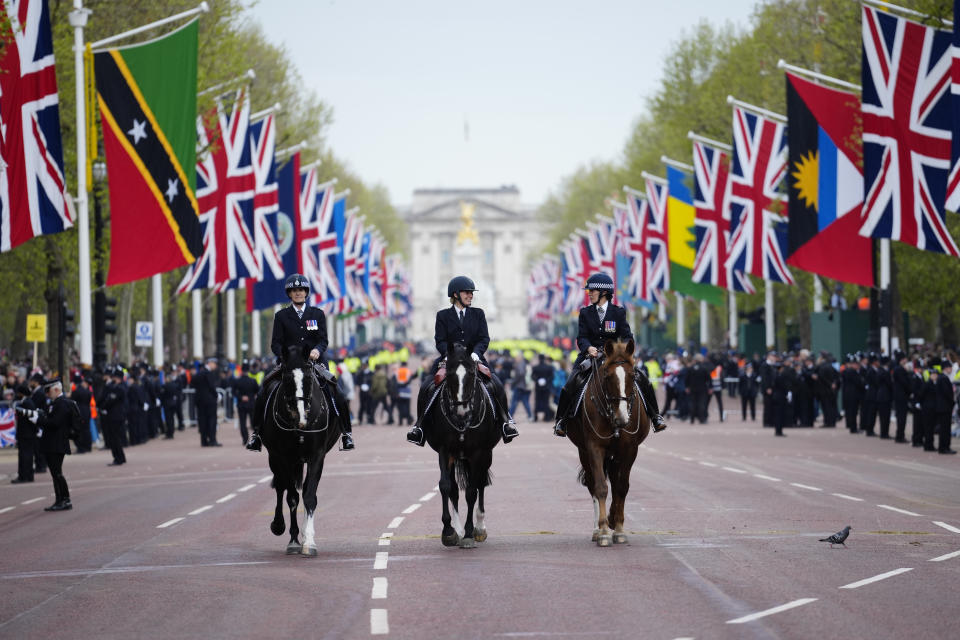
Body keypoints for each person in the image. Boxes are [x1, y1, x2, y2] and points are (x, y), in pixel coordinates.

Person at [407, 275, 519, 446]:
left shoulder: (478, 313)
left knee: (496, 384)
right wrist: (447, 354)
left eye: (471, 293)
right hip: (449, 359)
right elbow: (440, 340)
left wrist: (476, 353)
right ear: (456, 294)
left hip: (474, 358)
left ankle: (506, 422)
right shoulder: (443, 315)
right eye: (467, 292)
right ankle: (420, 427)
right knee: (427, 387)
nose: (470, 295)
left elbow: (484, 338)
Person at [247, 274, 354, 451]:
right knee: (262, 391)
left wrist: (317, 350)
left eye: (301, 290)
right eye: (294, 290)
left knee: (338, 393)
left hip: (314, 363)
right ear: (289, 294)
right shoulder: (281, 316)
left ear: (306, 292)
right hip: (288, 363)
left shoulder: (317, 314)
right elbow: (276, 342)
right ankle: (256, 434)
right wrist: (284, 355)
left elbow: (323, 339)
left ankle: (346, 434)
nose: (298, 293)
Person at [553, 273, 665, 437]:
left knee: (643, 379)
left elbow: (627, 335)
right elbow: (581, 337)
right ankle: (561, 420)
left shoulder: (618, 312)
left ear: (604, 292)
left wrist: (621, 349)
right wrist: (589, 348)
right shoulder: (584, 313)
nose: (589, 293)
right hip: (589, 356)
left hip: (614, 356)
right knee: (570, 384)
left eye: (592, 290)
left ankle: (656, 416)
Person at [29, 378, 75, 511]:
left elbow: (55, 423)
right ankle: (60, 499)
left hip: (57, 443)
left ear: (56, 389)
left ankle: (65, 499)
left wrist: (39, 420)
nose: (47, 394)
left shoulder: (62, 404)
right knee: (55, 473)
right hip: (53, 442)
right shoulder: (56, 403)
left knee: (57, 473)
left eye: (48, 391)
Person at [99, 367, 128, 465]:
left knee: (114, 438)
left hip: (116, 416)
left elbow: (110, 400)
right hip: (115, 415)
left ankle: (118, 458)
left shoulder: (119, 388)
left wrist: (103, 407)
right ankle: (121, 457)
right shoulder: (116, 387)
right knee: (115, 437)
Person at [11, 384, 38, 483]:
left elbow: (31, 419)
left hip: (26, 434)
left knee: (25, 456)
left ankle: (24, 476)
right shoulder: (26, 402)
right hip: (27, 434)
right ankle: (27, 475)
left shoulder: (27, 403)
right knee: (27, 455)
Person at [234, 361, 259, 446]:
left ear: (241, 370)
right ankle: (255, 438)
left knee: (242, 423)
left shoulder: (237, 381)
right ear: (248, 370)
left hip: (241, 404)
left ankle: (245, 439)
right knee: (253, 422)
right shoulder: (253, 380)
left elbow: (234, 392)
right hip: (251, 404)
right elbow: (258, 391)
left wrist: (241, 397)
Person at [70, 374, 93, 453]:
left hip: (79, 412)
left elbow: (72, 401)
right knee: (87, 430)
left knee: (80, 430)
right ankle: (88, 446)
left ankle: (81, 448)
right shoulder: (88, 392)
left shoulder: (76, 391)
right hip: (87, 411)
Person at [531, 354, 555, 422]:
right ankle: (546, 417)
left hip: (538, 387)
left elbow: (532, 376)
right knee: (546, 402)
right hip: (546, 387)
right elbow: (552, 377)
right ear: (544, 359)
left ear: (539, 359)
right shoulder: (549, 367)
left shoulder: (535, 367)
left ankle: (535, 417)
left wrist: (537, 380)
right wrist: (546, 381)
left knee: (537, 402)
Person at [509, 355, 533, 420]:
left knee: (514, 401)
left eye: (516, 358)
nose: (515, 359)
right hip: (522, 386)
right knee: (524, 401)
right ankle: (530, 415)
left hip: (519, 386)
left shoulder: (520, 365)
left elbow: (520, 374)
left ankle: (510, 416)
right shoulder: (523, 364)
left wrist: (514, 382)